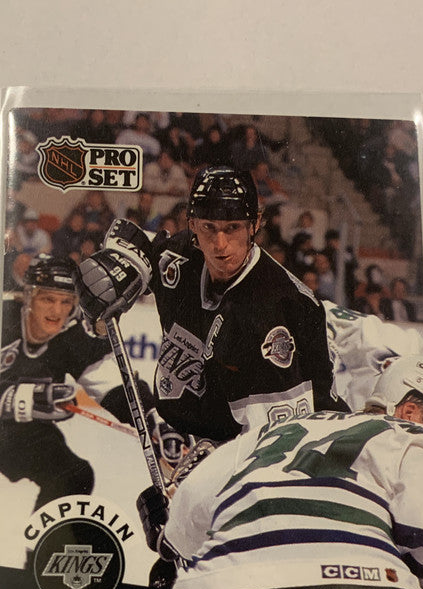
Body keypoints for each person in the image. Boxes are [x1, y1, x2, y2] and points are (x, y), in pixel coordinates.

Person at [141, 355, 423, 589]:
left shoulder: (268, 433)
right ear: (409, 409)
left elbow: (179, 535)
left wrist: (167, 540)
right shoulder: (410, 436)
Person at [75, 165, 347, 448]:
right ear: (192, 224)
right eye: (209, 228)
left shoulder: (270, 310)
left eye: (233, 228)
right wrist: (115, 264)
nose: (220, 245)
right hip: (191, 428)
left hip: (296, 442)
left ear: (255, 224)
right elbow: (134, 237)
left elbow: (275, 443)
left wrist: (211, 462)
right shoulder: (181, 257)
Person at [0, 254, 173, 513]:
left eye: (66, 302)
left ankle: (44, 539)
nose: (57, 311)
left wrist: (152, 417)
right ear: (28, 296)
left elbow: (114, 386)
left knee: (74, 475)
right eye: (48, 299)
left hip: (23, 433)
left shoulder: (72, 335)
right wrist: (12, 398)